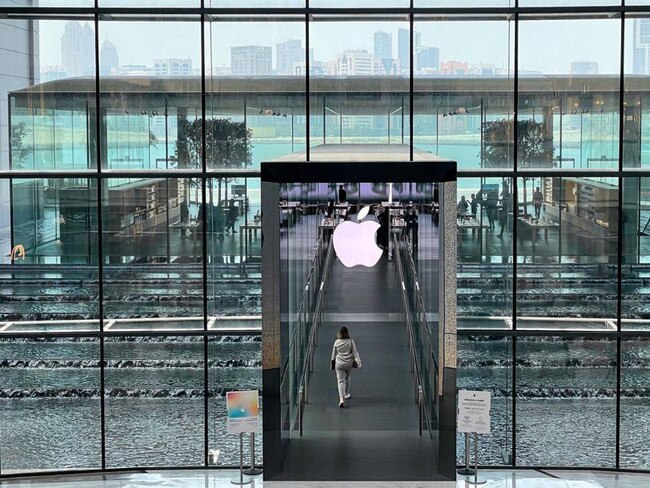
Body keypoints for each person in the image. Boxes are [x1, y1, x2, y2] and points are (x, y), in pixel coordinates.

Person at [330, 326, 362, 408]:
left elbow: (333, 355)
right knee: (347, 378)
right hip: (348, 363)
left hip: (339, 363)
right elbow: (355, 353)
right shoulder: (350, 341)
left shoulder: (337, 342)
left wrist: (332, 365)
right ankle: (346, 393)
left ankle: (341, 399)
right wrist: (359, 363)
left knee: (340, 381)